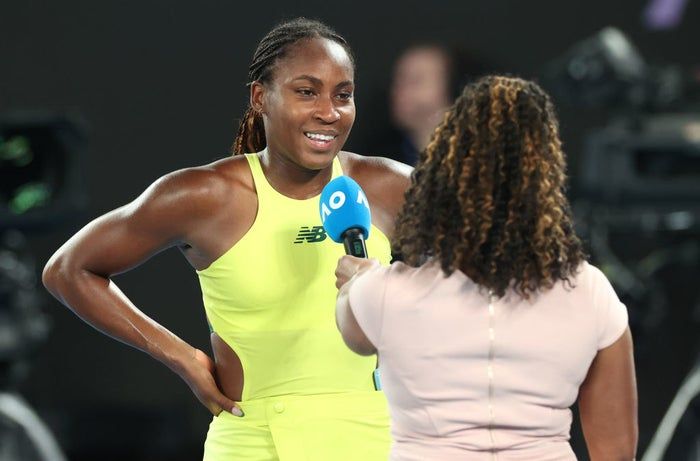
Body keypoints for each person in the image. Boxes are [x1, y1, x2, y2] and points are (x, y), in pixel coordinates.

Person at [42, 18, 411, 461]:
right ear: (261, 98)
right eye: (306, 91)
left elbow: (485, 267)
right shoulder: (205, 195)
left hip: (376, 437)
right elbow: (68, 270)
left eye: (343, 95)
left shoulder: (390, 185)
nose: (329, 112)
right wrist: (180, 356)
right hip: (252, 442)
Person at [335, 76, 638, 460]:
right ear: (544, 178)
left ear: (446, 176)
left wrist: (358, 280)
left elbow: (354, 332)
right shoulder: (591, 293)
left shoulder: (382, 294)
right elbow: (616, 453)